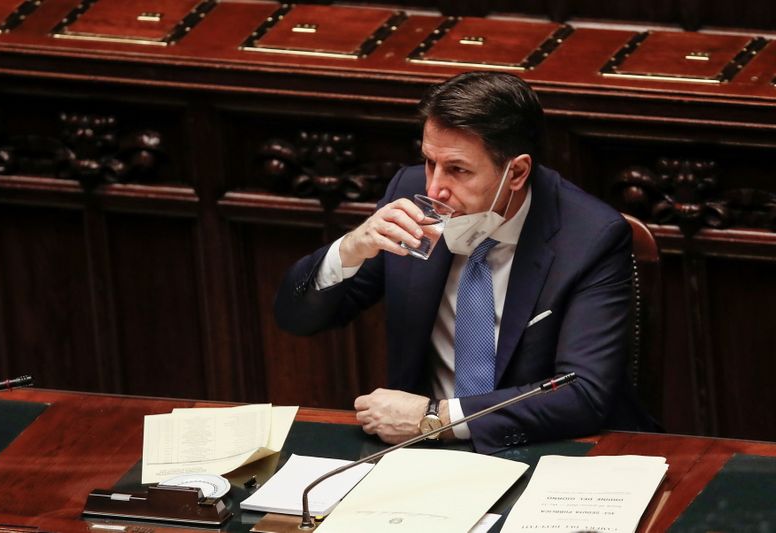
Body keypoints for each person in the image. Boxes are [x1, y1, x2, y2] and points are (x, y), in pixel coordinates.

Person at [274, 71, 653, 454]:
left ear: (516, 172)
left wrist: (436, 418)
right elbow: (297, 319)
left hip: (546, 451)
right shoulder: (410, 198)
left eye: (458, 170)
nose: (434, 188)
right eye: (428, 162)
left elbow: (582, 393)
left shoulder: (589, 237)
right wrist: (350, 249)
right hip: (425, 457)